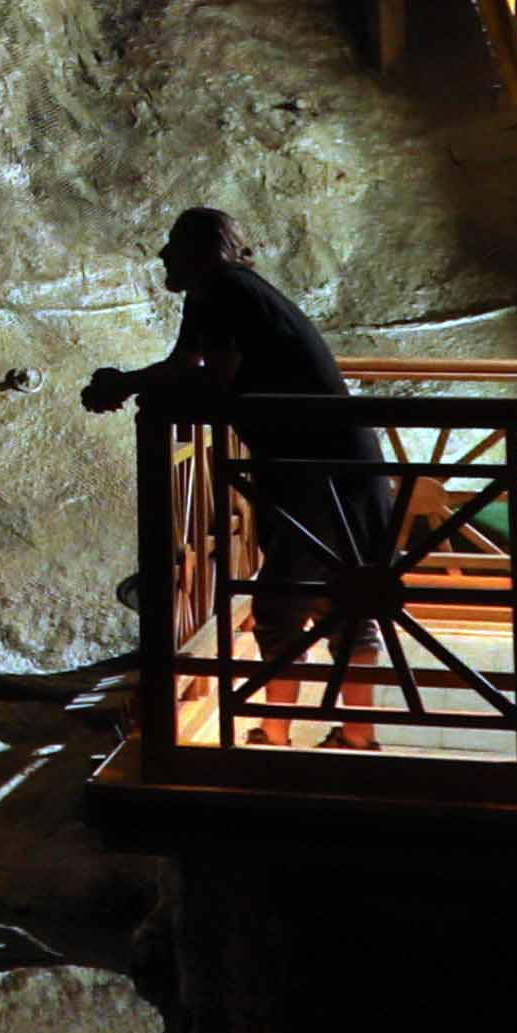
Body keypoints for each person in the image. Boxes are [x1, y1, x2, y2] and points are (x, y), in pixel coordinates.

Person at [83, 208, 396, 700]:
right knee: (343, 606)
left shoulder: (220, 290)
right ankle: (354, 738)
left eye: (174, 244)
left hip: (320, 472)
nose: (163, 254)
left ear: (201, 252)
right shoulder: (226, 290)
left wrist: (122, 384)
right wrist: (125, 383)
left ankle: (276, 739)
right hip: (338, 464)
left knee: (282, 613)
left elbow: (214, 379)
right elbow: (182, 366)